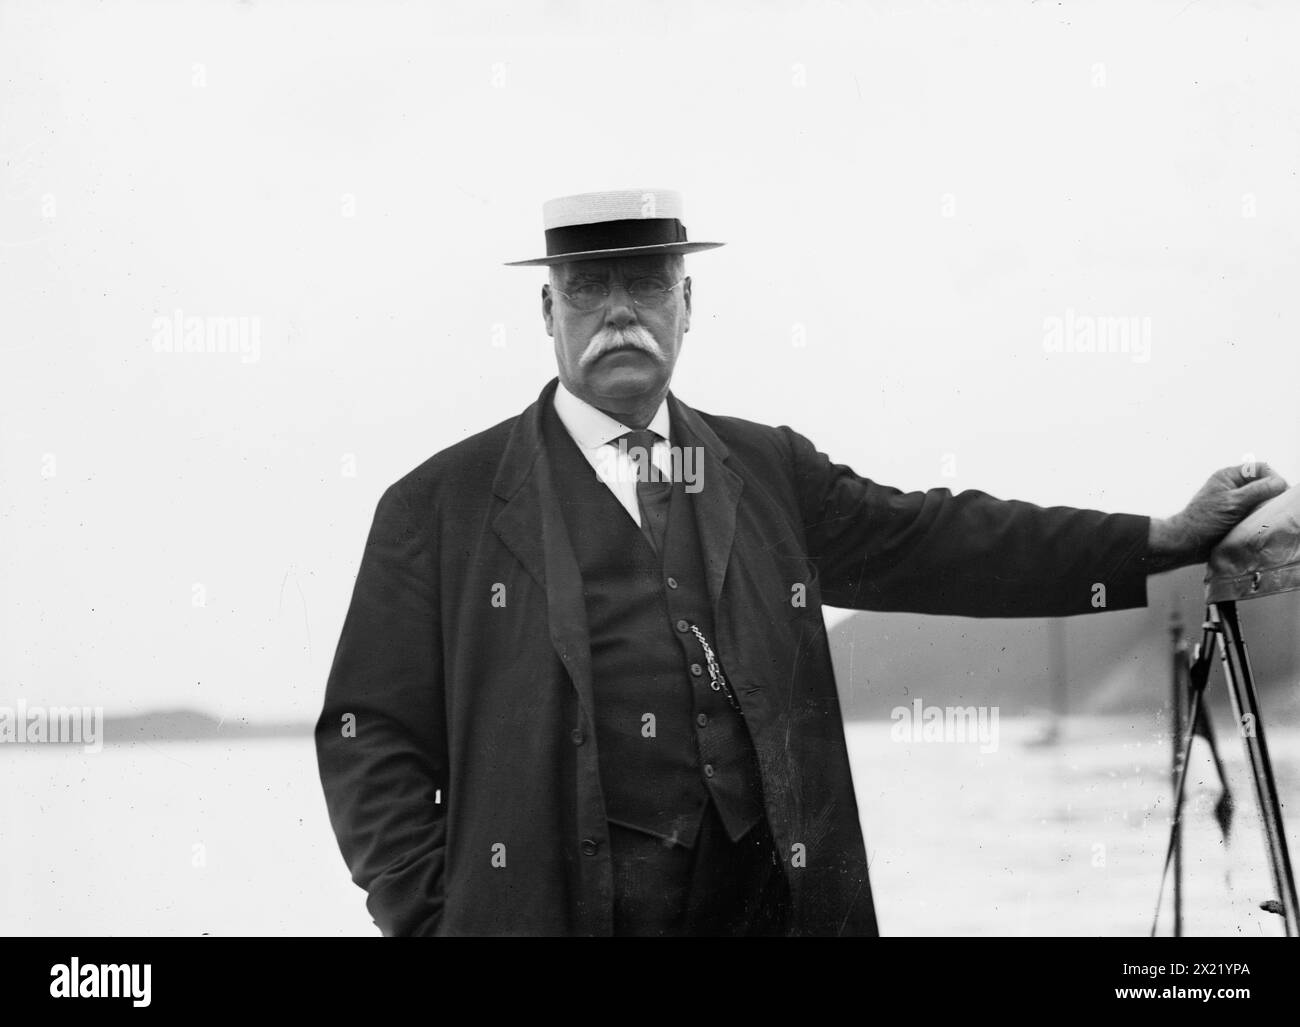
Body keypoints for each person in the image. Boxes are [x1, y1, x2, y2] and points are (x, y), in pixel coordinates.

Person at [314, 188, 1287, 936]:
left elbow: (946, 544)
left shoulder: (766, 469)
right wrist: (445, 924)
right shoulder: (437, 505)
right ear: (547, 309)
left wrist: (1163, 539)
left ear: (686, 302)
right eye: (588, 288)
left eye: (646, 282)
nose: (620, 311)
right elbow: (368, 738)